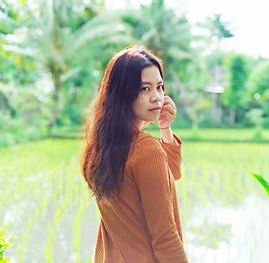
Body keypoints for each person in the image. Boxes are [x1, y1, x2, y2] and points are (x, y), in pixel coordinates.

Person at [81, 46, 189, 263]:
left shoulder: (99, 144)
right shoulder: (145, 149)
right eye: (144, 89)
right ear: (123, 93)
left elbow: (169, 176)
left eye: (159, 87)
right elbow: (165, 237)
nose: (156, 97)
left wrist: (165, 128)